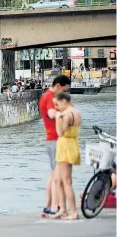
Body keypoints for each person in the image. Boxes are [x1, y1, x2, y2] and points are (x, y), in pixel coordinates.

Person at [39, 75, 71, 217]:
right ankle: (54, 207)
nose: (64, 95)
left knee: (53, 175)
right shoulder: (50, 97)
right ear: (58, 86)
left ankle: (49, 205)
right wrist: (63, 114)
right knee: (57, 176)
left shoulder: (46, 96)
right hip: (55, 139)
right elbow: (51, 112)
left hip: (51, 139)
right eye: (64, 90)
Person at [50, 92, 82, 220]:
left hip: (66, 147)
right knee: (58, 180)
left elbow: (60, 132)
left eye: (57, 104)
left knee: (67, 181)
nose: (57, 108)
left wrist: (58, 118)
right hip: (70, 145)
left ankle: (73, 212)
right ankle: (63, 209)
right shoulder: (75, 112)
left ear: (63, 101)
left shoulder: (67, 115)